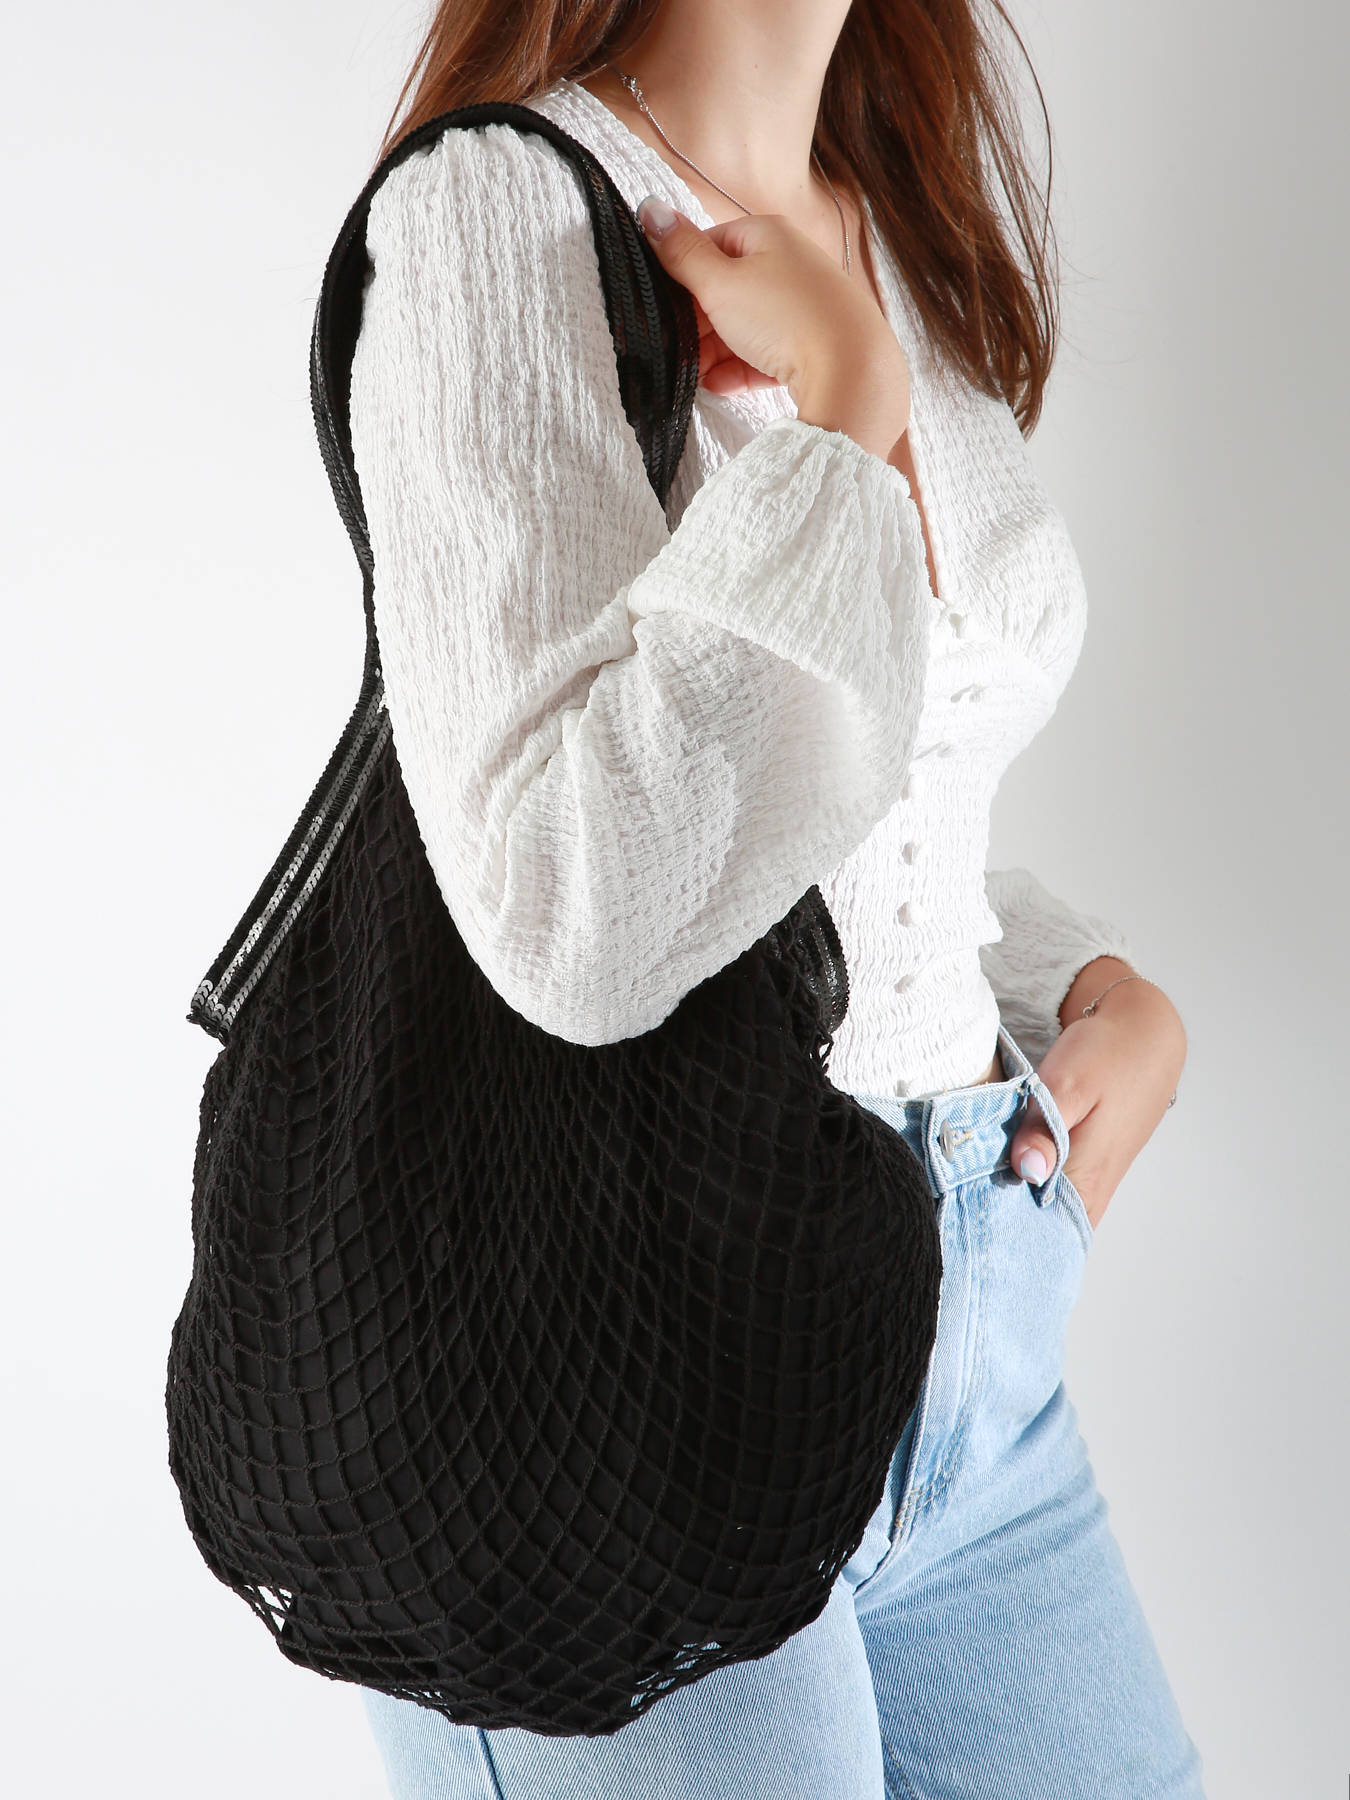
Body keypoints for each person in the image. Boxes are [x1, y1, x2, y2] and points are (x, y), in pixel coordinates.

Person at [347, 1, 1202, 1793]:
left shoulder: (890, 215)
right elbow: (571, 914)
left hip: (972, 1327)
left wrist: (1083, 984)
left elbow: (869, 806)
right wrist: (842, 421)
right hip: (626, 1347)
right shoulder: (503, 211)